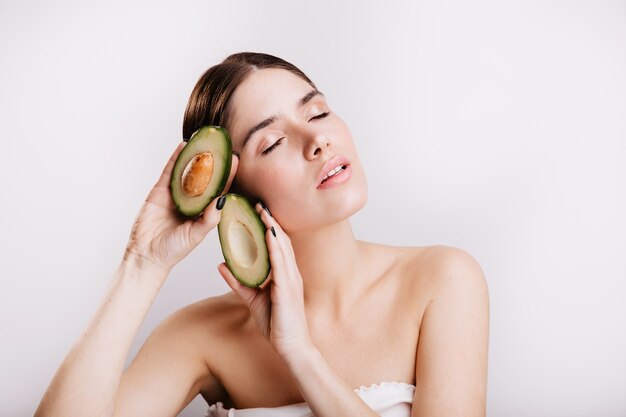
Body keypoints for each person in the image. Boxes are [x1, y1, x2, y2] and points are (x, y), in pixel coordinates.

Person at [35, 52, 490, 417]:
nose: (318, 141)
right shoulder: (199, 335)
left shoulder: (443, 280)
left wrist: (301, 355)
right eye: (271, 143)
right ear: (231, 193)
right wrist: (141, 263)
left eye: (318, 112)